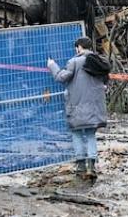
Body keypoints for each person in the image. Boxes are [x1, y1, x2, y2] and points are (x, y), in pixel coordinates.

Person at [47, 36, 110, 180]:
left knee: (76, 133)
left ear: (79, 47)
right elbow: (105, 81)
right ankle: (92, 166)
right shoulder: (98, 61)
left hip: (77, 104)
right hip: (94, 106)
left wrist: (52, 65)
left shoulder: (75, 62)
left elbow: (61, 77)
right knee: (90, 134)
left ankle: (81, 166)